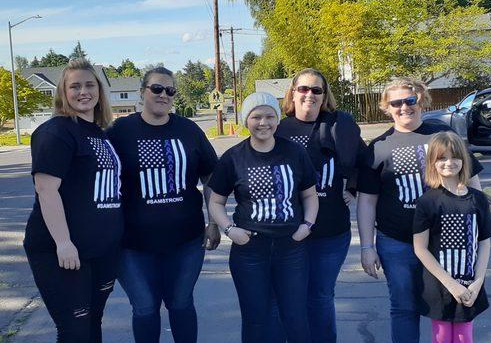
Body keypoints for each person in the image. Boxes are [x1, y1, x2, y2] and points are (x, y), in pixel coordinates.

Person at [356, 78, 484, 343]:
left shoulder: (442, 135)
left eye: (410, 100)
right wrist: (367, 247)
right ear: (386, 107)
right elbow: (367, 201)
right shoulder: (379, 147)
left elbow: (471, 181)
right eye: (397, 102)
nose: (404, 107)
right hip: (397, 242)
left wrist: (479, 227)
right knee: (404, 308)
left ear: (420, 100)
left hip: (445, 243)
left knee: (451, 308)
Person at [107, 67, 220, 343]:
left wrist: (214, 222)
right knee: (144, 308)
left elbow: (211, 178)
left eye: (170, 90)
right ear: (142, 92)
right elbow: (97, 173)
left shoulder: (188, 130)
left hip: (186, 241)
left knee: (181, 304)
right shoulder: (120, 132)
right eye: (157, 88)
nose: (163, 95)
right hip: (132, 244)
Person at [24, 58, 123, 343]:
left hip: (102, 251)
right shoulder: (56, 132)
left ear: (99, 91)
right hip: (63, 252)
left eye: (90, 85)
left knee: (93, 322)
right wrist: (63, 242)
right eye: (75, 86)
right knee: (75, 330)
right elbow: (46, 190)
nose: (84, 91)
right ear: (63, 93)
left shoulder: (100, 134)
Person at [208, 92, 319, 343]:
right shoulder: (233, 157)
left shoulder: (294, 152)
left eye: (270, 116)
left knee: (295, 318)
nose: (263, 123)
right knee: (256, 319)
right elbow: (216, 201)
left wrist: (307, 226)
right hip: (249, 250)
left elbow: (310, 196)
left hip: (291, 247)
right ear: (246, 121)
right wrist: (229, 230)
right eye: (256, 116)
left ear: (278, 120)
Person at [274, 68, 366, 342]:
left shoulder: (340, 125)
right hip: (287, 233)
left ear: (325, 95)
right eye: (303, 89)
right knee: (289, 297)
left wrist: (354, 187)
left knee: (320, 296)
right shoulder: (279, 129)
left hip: (330, 232)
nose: (309, 95)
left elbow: (366, 160)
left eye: (316, 90)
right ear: (292, 93)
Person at [413, 131, 491, 343]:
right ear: (432, 162)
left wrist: (477, 282)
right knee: (442, 337)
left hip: (470, 284)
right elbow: (420, 248)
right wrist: (451, 284)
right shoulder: (427, 202)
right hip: (440, 284)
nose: (449, 162)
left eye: (454, 157)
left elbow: (484, 242)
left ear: (464, 159)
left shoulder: (477, 199)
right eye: (441, 158)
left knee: (463, 338)